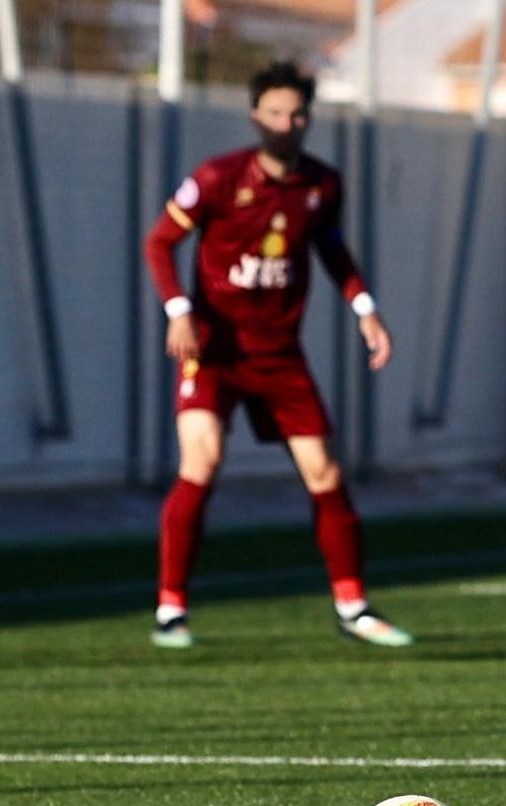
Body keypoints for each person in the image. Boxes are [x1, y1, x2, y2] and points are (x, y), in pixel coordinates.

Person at [143, 61, 412, 649]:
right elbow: (160, 241)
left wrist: (365, 308)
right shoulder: (217, 178)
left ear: (307, 119)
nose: (286, 123)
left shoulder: (321, 185)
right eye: (274, 113)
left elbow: (334, 253)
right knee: (202, 460)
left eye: (296, 114)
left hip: (279, 356)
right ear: (254, 116)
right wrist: (179, 310)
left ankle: (353, 606)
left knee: (325, 471)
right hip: (213, 350)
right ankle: (171, 609)